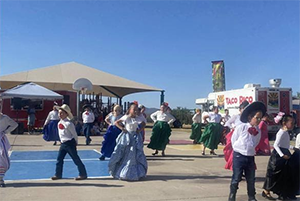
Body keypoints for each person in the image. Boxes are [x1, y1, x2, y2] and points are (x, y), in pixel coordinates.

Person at [228, 101, 266, 201]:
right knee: (236, 178)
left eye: (260, 118)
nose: (258, 120)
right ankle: (232, 195)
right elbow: (234, 140)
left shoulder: (258, 131)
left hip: (250, 156)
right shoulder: (242, 127)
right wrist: (238, 149)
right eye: (256, 118)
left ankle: (251, 196)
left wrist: (251, 148)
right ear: (250, 118)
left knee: (251, 178)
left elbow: (256, 142)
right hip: (239, 155)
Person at [108, 103, 147, 181]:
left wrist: (139, 130)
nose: (135, 111)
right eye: (134, 110)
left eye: (137, 110)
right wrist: (122, 128)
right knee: (125, 153)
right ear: (130, 110)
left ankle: (133, 173)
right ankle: (123, 172)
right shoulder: (126, 117)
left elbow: (144, 123)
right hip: (127, 137)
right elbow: (117, 122)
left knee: (133, 154)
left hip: (135, 137)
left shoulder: (138, 118)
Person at [262, 113, 295, 200]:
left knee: (283, 175)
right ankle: (266, 191)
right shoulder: (281, 132)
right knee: (273, 175)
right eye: (291, 123)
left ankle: (282, 193)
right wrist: (282, 155)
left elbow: (285, 145)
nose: (293, 125)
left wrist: (293, 148)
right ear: (284, 123)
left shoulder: (286, 132)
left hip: (284, 153)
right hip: (277, 157)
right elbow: (276, 145)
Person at [51, 104, 87, 181]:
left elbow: (74, 134)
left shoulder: (69, 124)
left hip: (70, 143)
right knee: (59, 159)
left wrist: (76, 142)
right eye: (59, 113)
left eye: (62, 113)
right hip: (63, 144)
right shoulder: (59, 123)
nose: (60, 115)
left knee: (76, 159)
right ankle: (58, 174)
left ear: (66, 114)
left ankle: (83, 174)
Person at [224, 101, 249, 170]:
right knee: (234, 152)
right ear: (240, 109)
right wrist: (233, 128)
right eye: (243, 108)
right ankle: (236, 169)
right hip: (235, 135)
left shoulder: (249, 117)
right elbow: (227, 123)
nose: (244, 110)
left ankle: (243, 169)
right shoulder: (236, 116)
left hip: (245, 136)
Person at [0, 111, 18, 187]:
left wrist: (5, 131)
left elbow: (14, 124)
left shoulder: (5, 118)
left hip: (1, 139)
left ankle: (0, 179)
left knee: (2, 158)